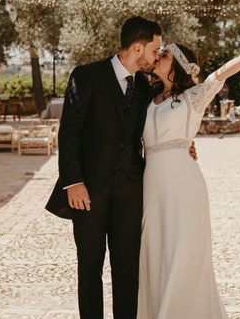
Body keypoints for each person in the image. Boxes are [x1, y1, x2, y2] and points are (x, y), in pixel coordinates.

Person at [138, 33, 240, 318]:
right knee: (154, 253)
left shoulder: (192, 98)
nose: (158, 56)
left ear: (176, 64)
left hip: (184, 186)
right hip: (151, 187)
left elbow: (223, 72)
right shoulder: (146, 98)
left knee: (182, 254)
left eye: (164, 54)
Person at [45, 16, 163, 319]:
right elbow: (69, 132)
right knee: (90, 269)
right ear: (137, 48)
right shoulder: (86, 76)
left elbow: (157, 125)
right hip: (88, 191)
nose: (156, 57)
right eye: (154, 50)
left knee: (127, 270)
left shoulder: (145, 87)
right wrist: (73, 181)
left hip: (130, 191)